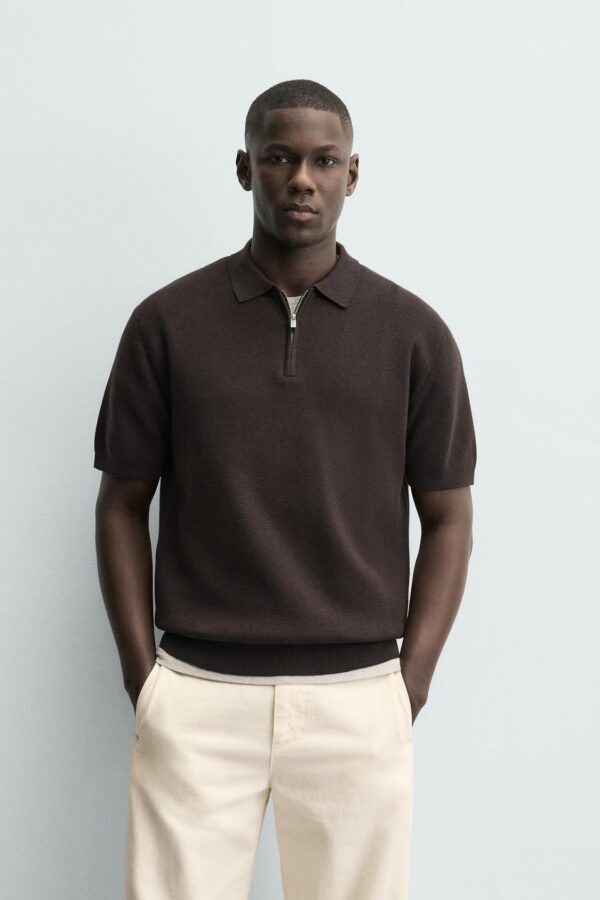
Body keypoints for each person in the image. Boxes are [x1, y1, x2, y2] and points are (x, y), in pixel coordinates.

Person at [94, 78, 476, 900]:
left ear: (352, 174)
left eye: (323, 161)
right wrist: (143, 680)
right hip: (196, 695)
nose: (302, 179)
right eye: (279, 157)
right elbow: (121, 504)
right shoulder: (166, 324)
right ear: (244, 168)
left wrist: (409, 684)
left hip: (358, 700)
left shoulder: (414, 334)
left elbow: (449, 517)